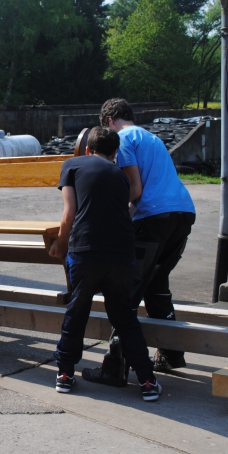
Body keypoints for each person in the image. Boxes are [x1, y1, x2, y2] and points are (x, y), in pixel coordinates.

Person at [84, 98, 196, 384]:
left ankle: (115, 367)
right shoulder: (150, 137)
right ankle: (171, 353)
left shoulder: (122, 139)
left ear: (109, 121)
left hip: (155, 218)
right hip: (182, 213)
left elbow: (134, 189)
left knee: (125, 289)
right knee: (156, 283)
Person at [50, 127, 161, 401]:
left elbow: (70, 213)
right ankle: (147, 381)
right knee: (124, 316)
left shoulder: (72, 165)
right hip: (122, 254)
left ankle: (65, 374)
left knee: (77, 310)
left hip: (86, 250)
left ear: (88, 149)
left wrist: (60, 244)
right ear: (114, 153)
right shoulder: (121, 176)